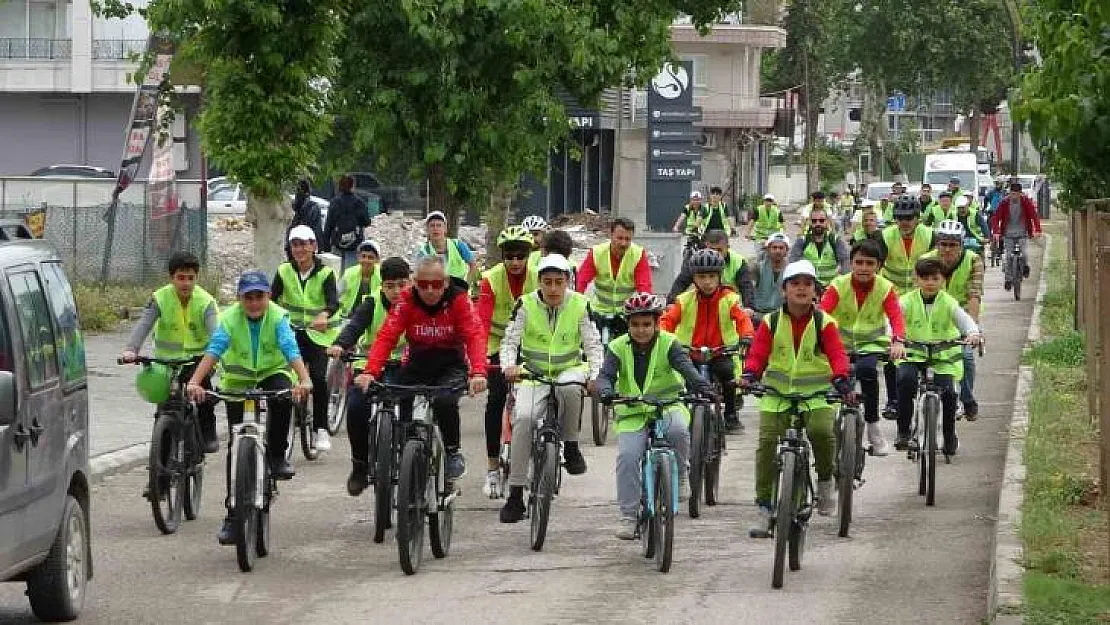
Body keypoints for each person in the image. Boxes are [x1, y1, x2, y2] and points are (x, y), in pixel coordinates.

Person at [185, 271, 313, 545]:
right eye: (248, 298)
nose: (254, 303)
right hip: (238, 379)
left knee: (283, 399)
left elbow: (290, 349)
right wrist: (195, 382)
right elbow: (214, 350)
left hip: (271, 373)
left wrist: (304, 380)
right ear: (240, 299)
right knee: (236, 442)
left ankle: (277, 456)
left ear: (268, 296)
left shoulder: (278, 317)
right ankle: (233, 515)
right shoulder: (229, 319)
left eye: (260, 296)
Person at [742, 260, 854, 533]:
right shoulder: (770, 321)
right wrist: (749, 375)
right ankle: (764, 506)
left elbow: (837, 354)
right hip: (777, 395)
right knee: (767, 444)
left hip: (815, 395)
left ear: (815, 291)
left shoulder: (824, 322)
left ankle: (826, 481)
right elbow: (758, 354)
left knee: (822, 432)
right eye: (795, 284)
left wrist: (841, 379)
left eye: (807, 284)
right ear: (784, 290)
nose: (801, 289)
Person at [355, 254, 488, 479]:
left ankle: (452, 451)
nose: (429, 291)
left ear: (446, 282)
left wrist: (478, 372)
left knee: (446, 402)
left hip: (450, 364)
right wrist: (370, 372)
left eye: (436, 285)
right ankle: (405, 450)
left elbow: (474, 335)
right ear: (415, 282)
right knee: (400, 396)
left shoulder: (459, 299)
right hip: (418, 362)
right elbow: (387, 336)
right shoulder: (406, 299)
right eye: (423, 285)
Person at [596, 292, 714, 540]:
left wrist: (702, 386)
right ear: (627, 325)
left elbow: (687, 369)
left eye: (647, 324)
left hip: (668, 405)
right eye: (635, 325)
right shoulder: (617, 347)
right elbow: (605, 376)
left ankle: (681, 477)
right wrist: (605, 390)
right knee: (628, 458)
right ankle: (628, 516)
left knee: (679, 431)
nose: (641, 330)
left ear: (657, 323)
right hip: (633, 411)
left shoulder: (669, 344)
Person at [498, 254, 604, 522]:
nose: (554, 288)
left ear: (568, 281)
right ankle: (515, 493)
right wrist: (509, 366)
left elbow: (593, 344)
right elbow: (509, 341)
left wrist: (594, 375)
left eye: (559, 282)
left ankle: (570, 445)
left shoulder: (580, 304)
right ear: (539, 282)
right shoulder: (525, 304)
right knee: (523, 418)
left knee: (570, 389)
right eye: (547, 282)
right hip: (532, 373)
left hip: (569, 368)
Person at [121, 251, 220, 453]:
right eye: (180, 278)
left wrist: (216, 359)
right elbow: (144, 324)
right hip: (166, 363)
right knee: (164, 406)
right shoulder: (160, 298)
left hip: (197, 361)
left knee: (203, 397)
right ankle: (159, 469)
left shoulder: (206, 302)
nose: (186, 283)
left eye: (190, 278)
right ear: (171, 278)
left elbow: (216, 335)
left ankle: (208, 433)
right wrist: (131, 350)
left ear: (196, 278)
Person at [327, 257, 411, 495]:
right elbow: (354, 327)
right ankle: (360, 466)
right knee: (356, 407)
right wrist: (340, 344)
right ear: (382, 285)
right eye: (390, 285)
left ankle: (409, 458)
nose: (396, 291)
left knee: (409, 405)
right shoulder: (372, 303)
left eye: (402, 284)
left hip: (404, 365)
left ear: (410, 282)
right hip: (369, 365)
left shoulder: (416, 303)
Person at [819, 239, 907, 456]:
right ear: (851, 263)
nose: (864, 268)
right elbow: (822, 313)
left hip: (871, 345)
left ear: (878, 266)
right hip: (838, 345)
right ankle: (831, 431)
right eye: (859, 262)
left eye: (869, 263)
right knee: (833, 383)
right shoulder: (838, 285)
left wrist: (898, 340)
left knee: (868, 372)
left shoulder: (885, 288)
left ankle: (873, 427)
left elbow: (896, 317)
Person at [894, 258, 982, 455]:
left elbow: (965, 321)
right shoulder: (906, 301)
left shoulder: (949, 303)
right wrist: (895, 340)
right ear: (916, 280)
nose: (930, 283)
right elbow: (893, 322)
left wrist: (973, 334)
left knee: (949, 394)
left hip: (943, 356)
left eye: (935, 278)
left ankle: (949, 435)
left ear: (943, 280)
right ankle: (903, 431)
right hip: (913, 354)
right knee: (905, 381)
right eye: (925, 278)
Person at [660, 249, 755, 433]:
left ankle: (730, 414)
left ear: (719, 276)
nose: (707, 282)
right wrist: (662, 337)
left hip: (719, 351)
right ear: (694, 278)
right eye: (702, 277)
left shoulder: (730, 298)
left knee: (728, 374)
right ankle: (685, 415)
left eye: (712, 276)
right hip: (690, 352)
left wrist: (747, 336)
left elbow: (742, 319)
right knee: (685, 380)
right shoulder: (684, 300)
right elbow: (667, 320)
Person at [477, 226, 538, 496]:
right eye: (509, 256)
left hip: (530, 343)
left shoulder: (539, 278)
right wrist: (477, 361)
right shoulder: (490, 279)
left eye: (520, 256)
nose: (515, 262)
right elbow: (481, 322)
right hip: (496, 343)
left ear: (529, 255)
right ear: (502, 256)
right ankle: (492, 468)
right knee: (496, 399)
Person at [271, 225, 341, 452]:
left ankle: (320, 428)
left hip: (318, 335)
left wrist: (324, 314)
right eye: (295, 245)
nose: (300, 249)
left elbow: (333, 302)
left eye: (304, 244)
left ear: (314, 246)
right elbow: (272, 299)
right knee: (284, 378)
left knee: (318, 379)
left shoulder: (326, 273)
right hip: (290, 331)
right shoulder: (284, 271)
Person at [921, 221, 985, 421]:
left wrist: (972, 330)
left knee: (965, 357)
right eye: (943, 244)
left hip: (962, 317)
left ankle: (967, 399)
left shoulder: (973, 260)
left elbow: (974, 295)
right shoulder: (925, 260)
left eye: (953, 245)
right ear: (937, 244)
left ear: (961, 245)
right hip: (931, 317)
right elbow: (915, 293)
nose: (947, 249)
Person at [576, 217, 652, 338]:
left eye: (628, 239)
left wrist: (646, 310)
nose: (623, 243)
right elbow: (581, 281)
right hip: (599, 311)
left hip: (626, 313)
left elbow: (644, 286)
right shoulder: (597, 252)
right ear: (611, 235)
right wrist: (575, 304)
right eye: (619, 238)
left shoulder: (638, 254)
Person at [667, 229, 755, 313]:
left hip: (728, 307)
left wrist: (749, 307)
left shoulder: (738, 261)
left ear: (727, 248)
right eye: (711, 249)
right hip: (701, 305)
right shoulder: (697, 260)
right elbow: (681, 282)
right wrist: (671, 302)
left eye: (719, 250)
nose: (715, 254)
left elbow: (746, 286)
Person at [990, 181, 1043, 291]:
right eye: (1011, 193)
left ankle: (1025, 267)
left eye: (1016, 194)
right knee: (1008, 256)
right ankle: (1008, 279)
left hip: (1022, 232)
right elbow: (996, 218)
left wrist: (1037, 230)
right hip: (1008, 233)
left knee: (1024, 253)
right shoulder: (1004, 203)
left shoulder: (1025, 202)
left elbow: (1034, 215)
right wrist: (996, 231)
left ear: (1020, 193)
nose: (1013, 196)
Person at [878, 196, 935, 295]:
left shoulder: (930, 236)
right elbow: (876, 267)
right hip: (891, 293)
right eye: (900, 218)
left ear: (917, 218)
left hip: (919, 293)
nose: (904, 222)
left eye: (909, 218)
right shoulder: (885, 236)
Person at [788, 208, 849, 288]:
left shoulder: (835, 240)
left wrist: (840, 283)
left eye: (821, 220)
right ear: (809, 222)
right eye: (814, 221)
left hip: (832, 288)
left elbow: (846, 263)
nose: (818, 223)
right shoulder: (802, 241)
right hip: (810, 288)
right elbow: (793, 264)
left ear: (827, 222)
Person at [417, 210, 479, 290]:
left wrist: (467, 285)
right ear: (427, 230)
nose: (435, 229)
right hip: (437, 291)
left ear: (445, 229)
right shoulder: (423, 252)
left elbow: (473, 265)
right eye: (432, 226)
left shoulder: (458, 245)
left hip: (459, 288)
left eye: (439, 225)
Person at [322, 174, 371, 271]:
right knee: (352, 273)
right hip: (355, 244)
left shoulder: (334, 202)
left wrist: (326, 246)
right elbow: (366, 222)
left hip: (338, 243)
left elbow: (329, 225)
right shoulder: (359, 202)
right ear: (353, 186)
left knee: (337, 271)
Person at [749, 232, 791, 325]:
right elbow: (749, 291)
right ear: (768, 249)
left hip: (782, 317)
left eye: (781, 248)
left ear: (786, 250)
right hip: (759, 315)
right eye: (774, 247)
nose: (778, 251)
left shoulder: (791, 270)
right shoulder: (756, 267)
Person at [337, 239, 381, 317]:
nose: (366, 260)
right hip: (348, 315)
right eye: (363, 256)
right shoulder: (349, 273)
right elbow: (337, 294)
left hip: (373, 316)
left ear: (377, 259)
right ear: (358, 257)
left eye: (370, 257)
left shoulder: (382, 275)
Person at [289, 179, 323, 245]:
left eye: (299, 190)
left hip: (306, 243)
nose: (297, 194)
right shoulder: (295, 207)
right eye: (297, 191)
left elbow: (316, 230)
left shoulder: (313, 207)